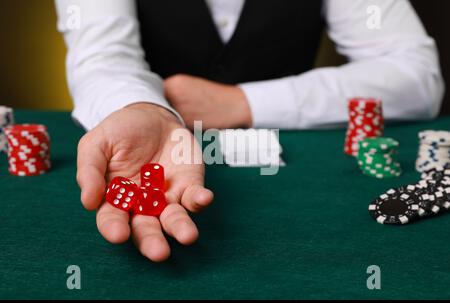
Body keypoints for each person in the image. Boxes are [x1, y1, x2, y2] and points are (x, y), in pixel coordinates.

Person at [55, 0, 444, 262]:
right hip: (158, 146)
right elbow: (101, 57)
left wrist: (242, 102)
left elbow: (415, 74)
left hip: (297, 173)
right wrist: (140, 106)